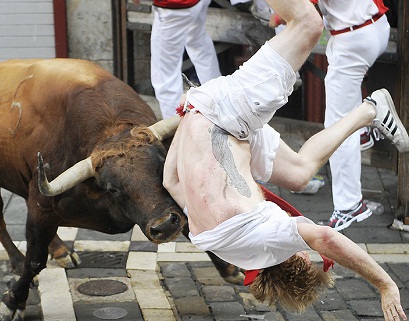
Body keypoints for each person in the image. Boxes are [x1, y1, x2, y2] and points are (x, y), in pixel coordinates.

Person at [161, 0, 408, 319]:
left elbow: (325, 236)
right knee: (300, 174)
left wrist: (385, 285)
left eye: (307, 256)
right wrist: (188, 116)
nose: (309, 250)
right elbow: (172, 180)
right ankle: (370, 110)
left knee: (308, 25)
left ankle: (369, 110)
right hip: (224, 127)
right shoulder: (207, 239)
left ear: (297, 259)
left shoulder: (266, 239)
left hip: (231, 109)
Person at [279, 0, 391, 230]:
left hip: (353, 40)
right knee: (345, 117)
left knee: (337, 127)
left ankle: (349, 205)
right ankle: (362, 132)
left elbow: (294, 13)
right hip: (377, 26)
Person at [133, 0, 221, 119]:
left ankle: (175, 128)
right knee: (198, 44)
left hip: (175, 6)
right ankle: (220, 104)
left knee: (164, 74)